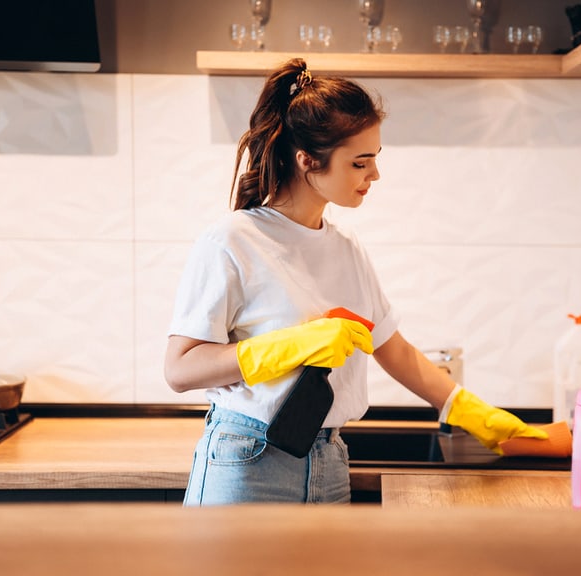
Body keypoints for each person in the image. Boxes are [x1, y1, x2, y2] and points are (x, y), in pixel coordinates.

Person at [165, 58, 547, 505]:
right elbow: (180, 369)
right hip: (249, 459)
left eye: (375, 160)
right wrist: (288, 346)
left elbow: (393, 348)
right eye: (360, 162)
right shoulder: (232, 241)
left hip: (330, 461)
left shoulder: (346, 247)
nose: (375, 175)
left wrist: (471, 411)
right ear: (309, 161)